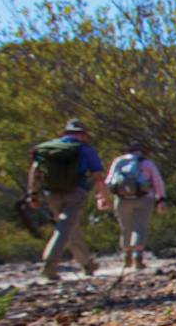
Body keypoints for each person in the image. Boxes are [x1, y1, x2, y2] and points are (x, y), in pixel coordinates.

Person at [27, 119, 112, 281]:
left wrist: (32, 194)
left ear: (65, 133)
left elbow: (35, 171)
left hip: (51, 193)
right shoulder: (85, 150)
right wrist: (104, 197)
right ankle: (49, 266)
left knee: (69, 227)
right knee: (64, 228)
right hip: (75, 193)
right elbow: (98, 177)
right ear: (84, 135)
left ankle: (87, 264)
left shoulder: (47, 148)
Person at [105, 142, 167, 269]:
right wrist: (161, 199)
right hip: (145, 198)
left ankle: (126, 256)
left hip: (122, 199)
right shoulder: (148, 163)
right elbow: (158, 181)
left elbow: (109, 181)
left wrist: (105, 198)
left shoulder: (118, 161)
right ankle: (137, 256)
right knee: (140, 227)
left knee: (125, 227)